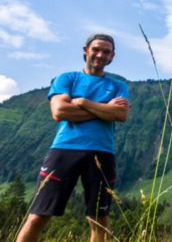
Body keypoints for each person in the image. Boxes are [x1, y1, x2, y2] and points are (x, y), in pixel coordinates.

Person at [17, 33, 130, 242]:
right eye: (96, 49)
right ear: (85, 50)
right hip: (64, 150)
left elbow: (121, 114)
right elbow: (59, 112)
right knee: (39, 215)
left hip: (102, 152)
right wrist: (105, 109)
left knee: (98, 218)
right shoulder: (67, 78)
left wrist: (83, 102)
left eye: (106, 52)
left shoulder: (118, 86)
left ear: (112, 56)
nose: (100, 55)